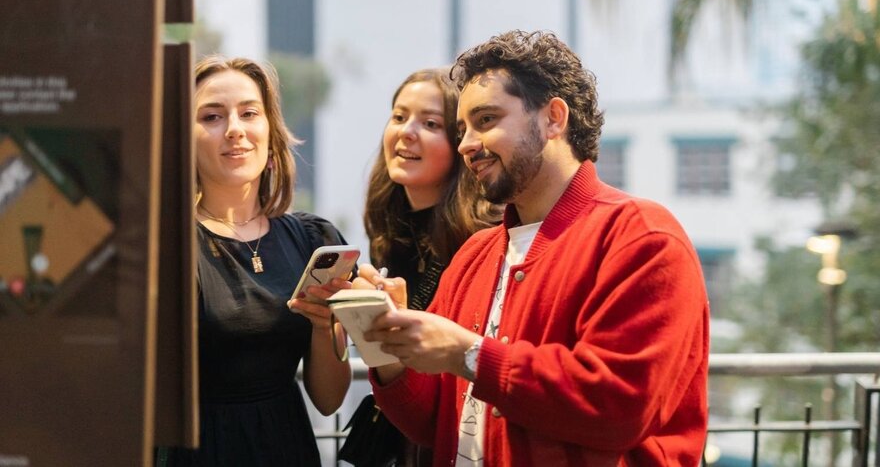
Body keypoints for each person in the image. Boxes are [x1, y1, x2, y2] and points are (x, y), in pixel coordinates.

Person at [355, 30, 709, 466]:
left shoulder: (641, 236)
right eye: (462, 129)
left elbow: (619, 407)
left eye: (486, 120)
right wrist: (385, 341)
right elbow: (434, 421)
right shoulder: (475, 256)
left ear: (553, 119)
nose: (466, 144)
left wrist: (468, 353)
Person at [157, 56, 352, 466]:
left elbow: (329, 400)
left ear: (270, 131)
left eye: (249, 113)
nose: (235, 129)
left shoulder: (312, 241)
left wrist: (324, 327)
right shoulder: (166, 244)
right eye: (212, 116)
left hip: (289, 448)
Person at [342, 68, 499, 466]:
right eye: (399, 116)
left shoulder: (483, 238)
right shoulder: (389, 227)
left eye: (430, 124)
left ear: (461, 144)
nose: (406, 133)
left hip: (461, 437)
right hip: (402, 431)